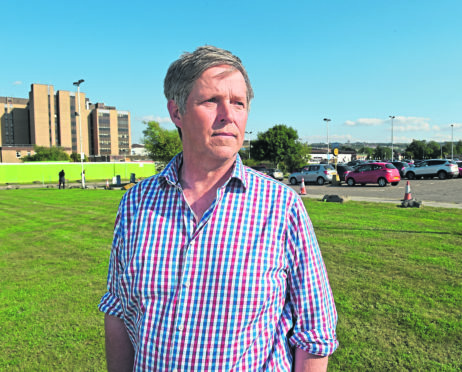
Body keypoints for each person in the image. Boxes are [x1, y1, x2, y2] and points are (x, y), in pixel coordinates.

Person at [99, 46, 337, 371]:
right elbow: (118, 312)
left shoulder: (281, 207)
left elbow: (315, 330)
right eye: (212, 101)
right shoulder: (136, 204)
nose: (228, 114)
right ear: (176, 112)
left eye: (239, 102)